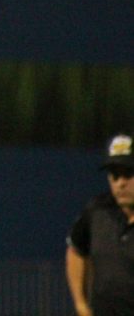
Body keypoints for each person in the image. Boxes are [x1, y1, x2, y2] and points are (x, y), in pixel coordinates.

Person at [66, 133, 134, 316]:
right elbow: (76, 249)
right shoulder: (97, 211)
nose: (121, 183)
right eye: (114, 175)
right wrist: (81, 305)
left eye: (128, 174)